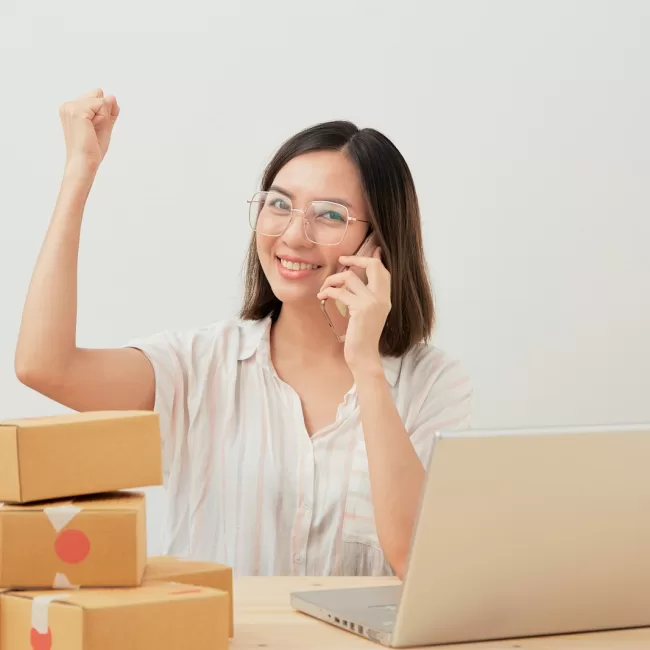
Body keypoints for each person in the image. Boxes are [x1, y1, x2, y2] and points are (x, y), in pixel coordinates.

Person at [15, 88, 472, 579]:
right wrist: (78, 173)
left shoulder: (431, 385)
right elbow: (45, 366)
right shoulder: (201, 365)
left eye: (330, 215)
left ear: (378, 243)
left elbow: (416, 562)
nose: (294, 235)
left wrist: (365, 363)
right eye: (280, 204)